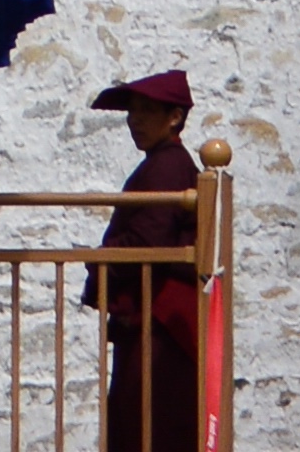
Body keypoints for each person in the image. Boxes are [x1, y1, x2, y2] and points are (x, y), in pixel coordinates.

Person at [88, 71, 202, 452]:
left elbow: (148, 240)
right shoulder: (162, 162)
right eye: (132, 111)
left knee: (151, 426)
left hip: (162, 321)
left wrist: (100, 260)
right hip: (153, 318)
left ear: (175, 117)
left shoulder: (168, 165)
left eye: (147, 111)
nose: (135, 120)